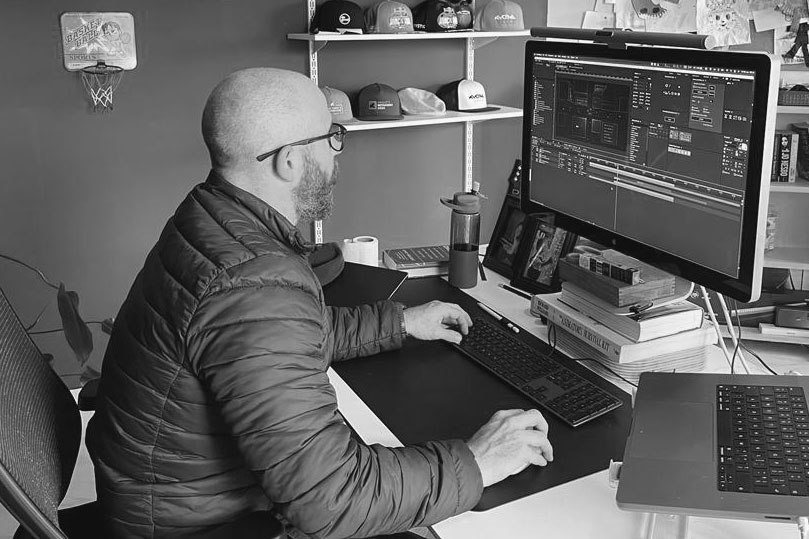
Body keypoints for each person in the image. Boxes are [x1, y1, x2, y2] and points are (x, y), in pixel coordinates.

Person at [86, 68, 553, 539]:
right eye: (331, 137)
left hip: (163, 500)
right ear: (289, 161)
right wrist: (478, 461)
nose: (336, 151)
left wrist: (400, 322)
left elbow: (275, 338)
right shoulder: (252, 283)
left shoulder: (209, 218)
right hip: (201, 526)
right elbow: (334, 499)